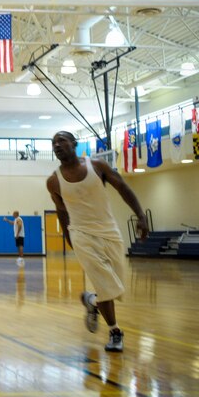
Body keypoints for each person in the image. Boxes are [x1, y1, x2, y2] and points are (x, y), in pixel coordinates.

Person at [46, 130, 149, 353]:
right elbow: (62, 212)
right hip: (81, 234)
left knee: (115, 287)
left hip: (109, 231)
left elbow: (123, 187)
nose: (57, 145)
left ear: (74, 143)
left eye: (61, 141)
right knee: (105, 283)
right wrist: (68, 238)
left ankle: (92, 301)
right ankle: (115, 332)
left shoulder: (98, 166)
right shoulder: (54, 181)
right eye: (53, 143)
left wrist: (141, 215)